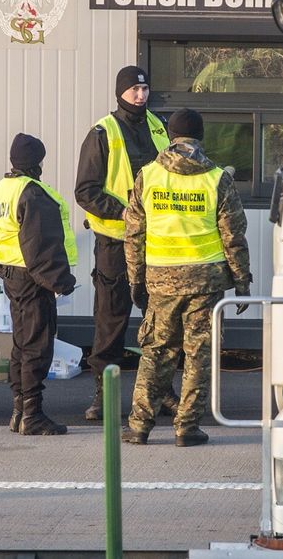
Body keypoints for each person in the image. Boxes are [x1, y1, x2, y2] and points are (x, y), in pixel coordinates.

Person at [120, 109, 252, 447]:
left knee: (156, 353)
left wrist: (134, 280)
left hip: (161, 281)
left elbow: (134, 234)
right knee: (198, 354)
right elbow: (233, 235)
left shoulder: (148, 176)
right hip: (205, 282)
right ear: (201, 136)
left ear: (170, 136)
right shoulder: (217, 178)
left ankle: (139, 426)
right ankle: (187, 427)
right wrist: (241, 280)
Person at [75, 65, 178, 421]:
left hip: (157, 242)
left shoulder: (158, 127)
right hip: (115, 243)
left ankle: (163, 392)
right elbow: (85, 191)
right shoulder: (103, 132)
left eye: (145, 88)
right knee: (110, 322)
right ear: (120, 92)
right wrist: (125, 213)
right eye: (134, 90)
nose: (140, 95)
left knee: (160, 321)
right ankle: (103, 396)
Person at [0, 133, 78, 436]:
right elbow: (41, 244)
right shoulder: (32, 193)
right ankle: (33, 414)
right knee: (37, 345)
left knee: (22, 344)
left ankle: (19, 410)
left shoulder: (2, 189)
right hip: (33, 278)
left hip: (13, 276)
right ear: (38, 162)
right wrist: (61, 281)